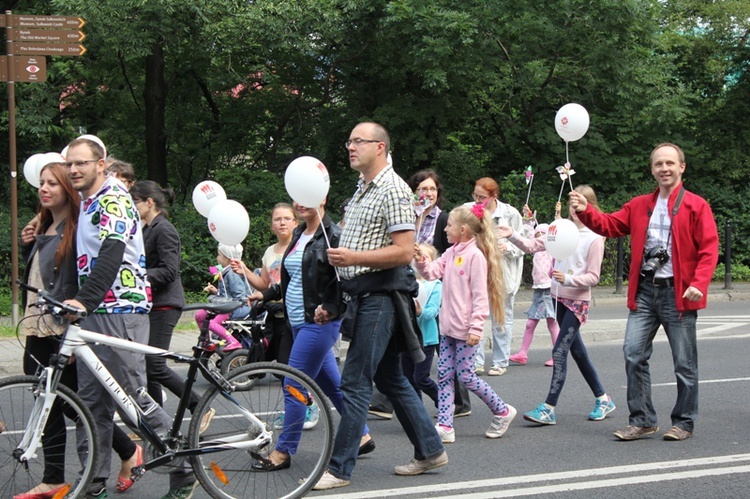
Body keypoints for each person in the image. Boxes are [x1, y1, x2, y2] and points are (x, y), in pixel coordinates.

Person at [313, 122, 447, 491]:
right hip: (362, 296)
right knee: (390, 378)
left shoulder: (393, 189)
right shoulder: (360, 191)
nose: (351, 147)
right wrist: (334, 302)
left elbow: (404, 251)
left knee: (355, 383)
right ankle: (431, 449)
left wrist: (352, 256)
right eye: (349, 140)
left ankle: (340, 468)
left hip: (381, 298)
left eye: (359, 141)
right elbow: (350, 266)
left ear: (381, 147)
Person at [62, 138, 196, 498]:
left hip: (121, 308)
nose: (74, 169)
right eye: (69, 164)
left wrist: (84, 300)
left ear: (101, 164)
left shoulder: (114, 198)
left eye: (81, 163)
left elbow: (112, 251)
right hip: (94, 312)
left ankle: (184, 470)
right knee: (92, 403)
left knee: (133, 399)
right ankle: (92, 481)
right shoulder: (87, 201)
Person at [570, 143, 719, 441]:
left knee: (684, 364)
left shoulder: (696, 205)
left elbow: (709, 248)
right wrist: (587, 212)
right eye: (658, 164)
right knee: (633, 354)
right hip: (645, 293)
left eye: (669, 163)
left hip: (678, 294)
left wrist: (698, 284)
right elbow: (611, 225)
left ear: (681, 167)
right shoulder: (640, 205)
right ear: (652, 169)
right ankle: (643, 420)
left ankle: (684, 422)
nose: (664, 168)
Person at [247, 198, 374, 472]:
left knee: (293, 385)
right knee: (332, 385)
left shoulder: (334, 235)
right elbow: (292, 280)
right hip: (297, 322)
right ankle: (362, 434)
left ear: (322, 198)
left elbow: (349, 280)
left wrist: (331, 308)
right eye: (297, 199)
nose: (300, 204)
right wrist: (265, 293)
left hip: (319, 323)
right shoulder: (298, 235)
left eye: (307, 198)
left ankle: (283, 451)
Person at [498, 185, 616, 426]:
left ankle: (549, 407)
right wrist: (511, 233)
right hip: (557, 297)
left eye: (579, 206)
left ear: (589, 206)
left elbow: (594, 277)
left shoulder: (594, 238)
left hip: (577, 302)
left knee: (560, 350)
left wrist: (569, 279)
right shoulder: (560, 230)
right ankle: (603, 399)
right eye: (571, 206)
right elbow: (531, 246)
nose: (574, 211)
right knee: (577, 352)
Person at [369, 170, 472, 419]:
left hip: (437, 290)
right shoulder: (406, 217)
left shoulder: (444, 220)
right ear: (414, 192)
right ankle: (387, 399)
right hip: (408, 287)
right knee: (405, 342)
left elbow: (455, 256)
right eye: (422, 189)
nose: (427, 194)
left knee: (439, 344)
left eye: (432, 189)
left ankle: (459, 401)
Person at [415, 204, 517, 443]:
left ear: (462, 229)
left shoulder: (475, 257)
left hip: (466, 331)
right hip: (448, 328)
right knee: (444, 374)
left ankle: (502, 411)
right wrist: (420, 260)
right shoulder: (451, 253)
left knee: (467, 376)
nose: (445, 229)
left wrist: (476, 328)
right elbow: (431, 273)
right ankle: (445, 425)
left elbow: (480, 297)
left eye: (449, 225)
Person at [129, 182, 214, 444]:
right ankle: (154, 423)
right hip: (151, 304)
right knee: (146, 366)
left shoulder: (164, 230)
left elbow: (169, 271)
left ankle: (199, 406)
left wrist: (136, 276)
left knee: (154, 365)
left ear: (149, 203)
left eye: (135, 202)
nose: (132, 207)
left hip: (166, 304)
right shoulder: (146, 229)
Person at [17, 162, 81, 499]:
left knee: (72, 404)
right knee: (49, 402)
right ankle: (54, 477)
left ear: (67, 189)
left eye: (52, 183)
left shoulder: (76, 227)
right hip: (35, 324)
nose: (44, 188)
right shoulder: (45, 224)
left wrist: (73, 333)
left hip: (60, 327)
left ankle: (128, 452)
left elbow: (75, 282)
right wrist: (30, 245)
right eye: (41, 183)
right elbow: (40, 279)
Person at [467, 178, 523, 376]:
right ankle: (476, 361)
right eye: (475, 195)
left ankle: (500, 361)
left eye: (482, 197)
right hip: (476, 270)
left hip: (501, 272)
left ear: (494, 197)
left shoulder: (510, 214)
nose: (477, 200)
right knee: (476, 316)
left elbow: (523, 243)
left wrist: (508, 247)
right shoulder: (469, 210)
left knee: (501, 318)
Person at [230, 203, 297, 365]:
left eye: (287, 218)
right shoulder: (269, 252)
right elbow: (264, 284)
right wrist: (245, 270)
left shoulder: (299, 248)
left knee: (288, 362)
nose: (282, 222)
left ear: (296, 222)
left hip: (294, 314)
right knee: (275, 360)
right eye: (277, 219)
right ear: (272, 226)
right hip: (274, 316)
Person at [509, 204, 561, 367]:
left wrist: (558, 213)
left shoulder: (550, 248)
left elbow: (556, 228)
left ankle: (557, 355)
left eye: (541, 234)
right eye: (537, 234)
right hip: (539, 289)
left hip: (548, 288)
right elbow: (529, 235)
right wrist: (529, 217)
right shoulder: (536, 246)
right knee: (530, 323)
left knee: (552, 323)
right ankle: (523, 354)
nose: (538, 237)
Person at [403, 243, 441, 408]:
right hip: (407, 337)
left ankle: (444, 402)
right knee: (409, 379)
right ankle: (417, 414)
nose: (418, 260)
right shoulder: (407, 281)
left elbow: (433, 311)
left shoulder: (436, 285)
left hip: (426, 338)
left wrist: (420, 312)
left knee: (421, 378)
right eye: (415, 257)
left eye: (423, 257)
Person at [195, 244, 251, 352]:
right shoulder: (225, 272)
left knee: (211, 323)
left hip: (233, 309)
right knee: (200, 315)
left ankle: (232, 340)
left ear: (226, 258)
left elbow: (240, 296)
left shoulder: (232, 274)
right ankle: (205, 341)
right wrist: (216, 291)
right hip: (225, 306)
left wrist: (224, 303)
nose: (217, 257)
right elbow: (227, 293)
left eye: (219, 255)